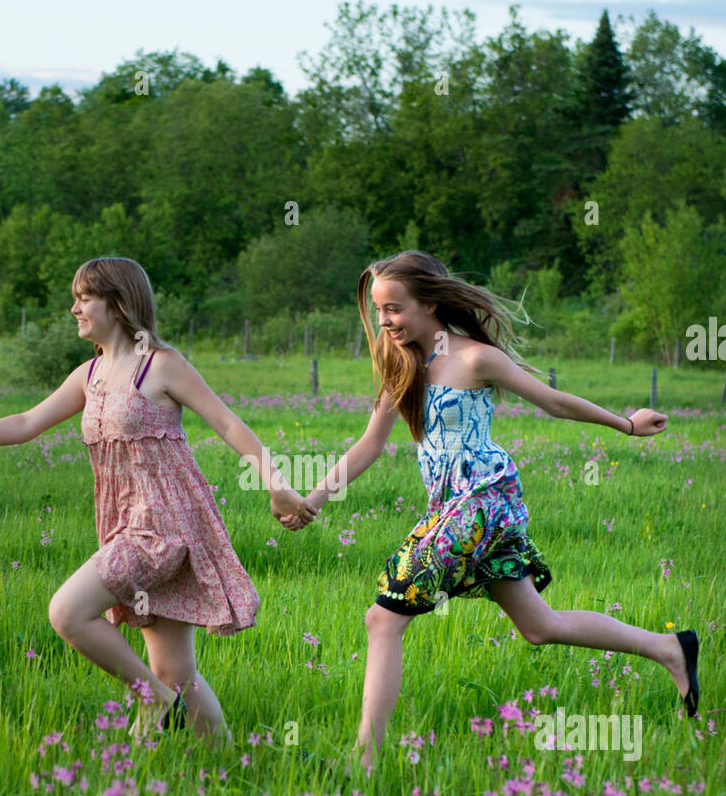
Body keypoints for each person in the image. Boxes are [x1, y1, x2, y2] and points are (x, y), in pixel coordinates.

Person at [277, 251, 700, 769]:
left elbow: (554, 402)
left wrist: (627, 425)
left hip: (484, 501)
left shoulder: (475, 358)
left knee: (382, 619)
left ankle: (363, 761)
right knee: (539, 626)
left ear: (429, 302)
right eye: (380, 310)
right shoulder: (401, 363)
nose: (385, 321)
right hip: (452, 506)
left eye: (395, 309)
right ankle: (670, 649)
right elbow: (369, 445)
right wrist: (313, 500)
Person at [0, 255, 316, 747]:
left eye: (84, 298)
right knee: (175, 674)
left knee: (67, 612)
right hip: (122, 523)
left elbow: (230, 424)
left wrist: (277, 485)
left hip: (163, 527)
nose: (74, 309)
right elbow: (27, 422)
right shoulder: (89, 375)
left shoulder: (161, 365)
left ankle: (150, 701)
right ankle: (227, 763)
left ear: (118, 303)